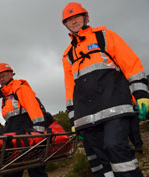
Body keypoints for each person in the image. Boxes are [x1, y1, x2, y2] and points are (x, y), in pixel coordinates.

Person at [61, 2, 149, 177]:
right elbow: (70, 88)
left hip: (114, 107)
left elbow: (130, 63)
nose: (73, 21)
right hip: (87, 115)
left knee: (114, 146)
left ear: (86, 17)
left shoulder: (104, 36)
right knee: (101, 159)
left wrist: (141, 94)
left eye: (77, 16)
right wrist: (73, 120)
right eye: (69, 20)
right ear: (66, 25)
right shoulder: (68, 54)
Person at [0, 63, 48, 177]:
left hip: (27, 131)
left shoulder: (20, 88)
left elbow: (34, 108)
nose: (1, 80)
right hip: (13, 132)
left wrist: (38, 135)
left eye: (3, 76)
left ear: (11, 74)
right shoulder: (6, 95)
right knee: (11, 170)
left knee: (36, 169)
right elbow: (11, 118)